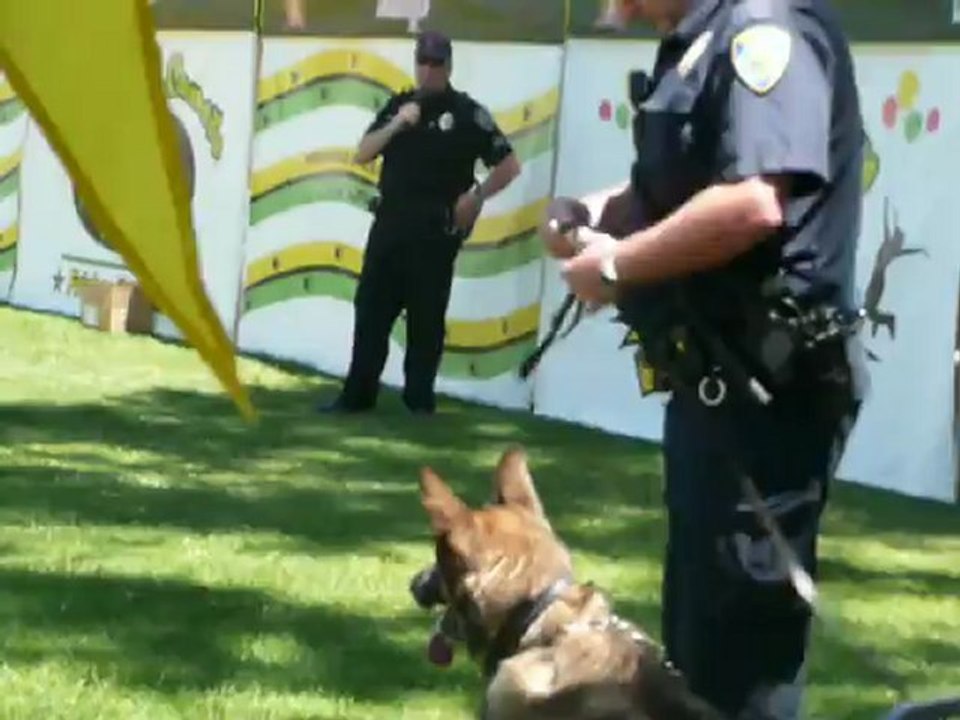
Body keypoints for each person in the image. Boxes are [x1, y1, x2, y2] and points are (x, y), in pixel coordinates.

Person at [540, 1, 867, 719]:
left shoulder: (764, 32)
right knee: (700, 643)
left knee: (742, 657)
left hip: (768, 400)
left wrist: (618, 267)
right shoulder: (698, 42)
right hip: (716, 392)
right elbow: (669, 193)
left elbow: (753, 202)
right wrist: (589, 214)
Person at [321, 30, 521, 415]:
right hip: (391, 225)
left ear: (448, 66)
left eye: (436, 64)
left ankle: (419, 403)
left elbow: (509, 166)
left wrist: (476, 196)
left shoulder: (466, 114)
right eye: (422, 63)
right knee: (371, 313)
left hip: (435, 230)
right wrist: (397, 124)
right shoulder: (400, 105)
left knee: (426, 321)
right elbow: (362, 154)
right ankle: (357, 397)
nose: (428, 72)